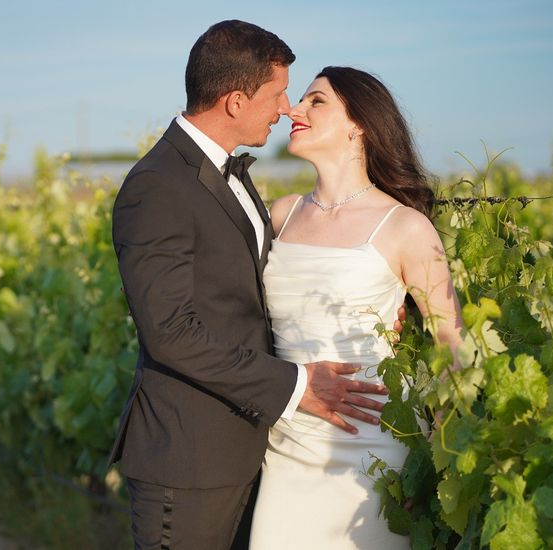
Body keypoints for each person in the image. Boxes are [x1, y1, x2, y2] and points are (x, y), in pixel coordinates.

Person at [110, 23, 396, 549]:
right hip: (189, 458)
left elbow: (256, 294)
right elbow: (171, 332)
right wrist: (296, 385)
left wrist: (373, 302)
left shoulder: (229, 173)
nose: (287, 107)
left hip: (254, 447)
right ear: (235, 101)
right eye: (277, 93)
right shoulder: (157, 187)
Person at [248, 66, 464, 549]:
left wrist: (431, 464)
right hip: (286, 443)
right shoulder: (279, 216)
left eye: (315, 101)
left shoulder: (404, 227)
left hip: (372, 444)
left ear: (359, 124)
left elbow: (453, 344)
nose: (294, 110)